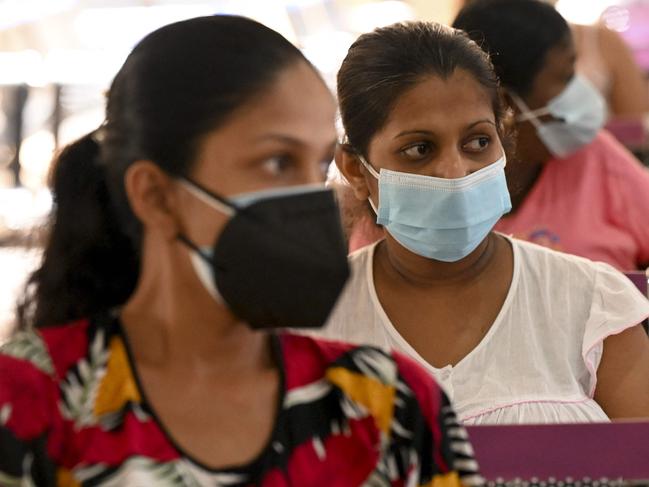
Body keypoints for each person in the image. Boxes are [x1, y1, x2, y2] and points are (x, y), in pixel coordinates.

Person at [0, 16, 482, 486]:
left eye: (316, 166)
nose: (312, 200)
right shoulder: (28, 402)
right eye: (276, 162)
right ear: (156, 195)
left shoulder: (388, 407)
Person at [311, 20, 649, 425]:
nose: (456, 172)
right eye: (419, 149)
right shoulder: (314, 320)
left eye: (477, 142)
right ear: (356, 171)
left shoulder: (591, 303)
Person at [454, 0, 649, 271]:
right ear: (506, 103)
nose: (582, 92)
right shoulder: (446, 191)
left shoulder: (596, 157)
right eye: (567, 77)